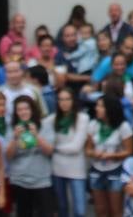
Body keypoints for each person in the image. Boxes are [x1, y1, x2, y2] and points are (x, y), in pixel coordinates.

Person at [3, 96, 54, 217]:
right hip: (20, 180)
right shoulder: (12, 128)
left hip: (42, 180)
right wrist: (15, 138)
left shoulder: (44, 125)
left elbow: (50, 151)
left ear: (32, 110)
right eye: (19, 109)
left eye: (26, 108)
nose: (23, 112)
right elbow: (8, 156)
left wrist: (36, 136)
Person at [86, 96, 133, 217]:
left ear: (110, 108)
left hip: (116, 171)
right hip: (96, 169)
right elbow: (87, 148)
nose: (97, 108)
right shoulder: (93, 124)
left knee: (116, 210)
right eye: (97, 105)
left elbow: (129, 151)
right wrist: (93, 153)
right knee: (100, 209)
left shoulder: (123, 127)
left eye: (100, 106)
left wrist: (112, 155)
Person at [43, 87, 87, 217]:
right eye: (61, 99)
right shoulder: (53, 118)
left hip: (77, 169)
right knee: (62, 208)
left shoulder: (82, 118)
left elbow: (76, 147)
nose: (64, 102)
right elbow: (39, 126)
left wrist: (55, 148)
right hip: (57, 168)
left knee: (80, 210)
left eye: (67, 99)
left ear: (73, 100)